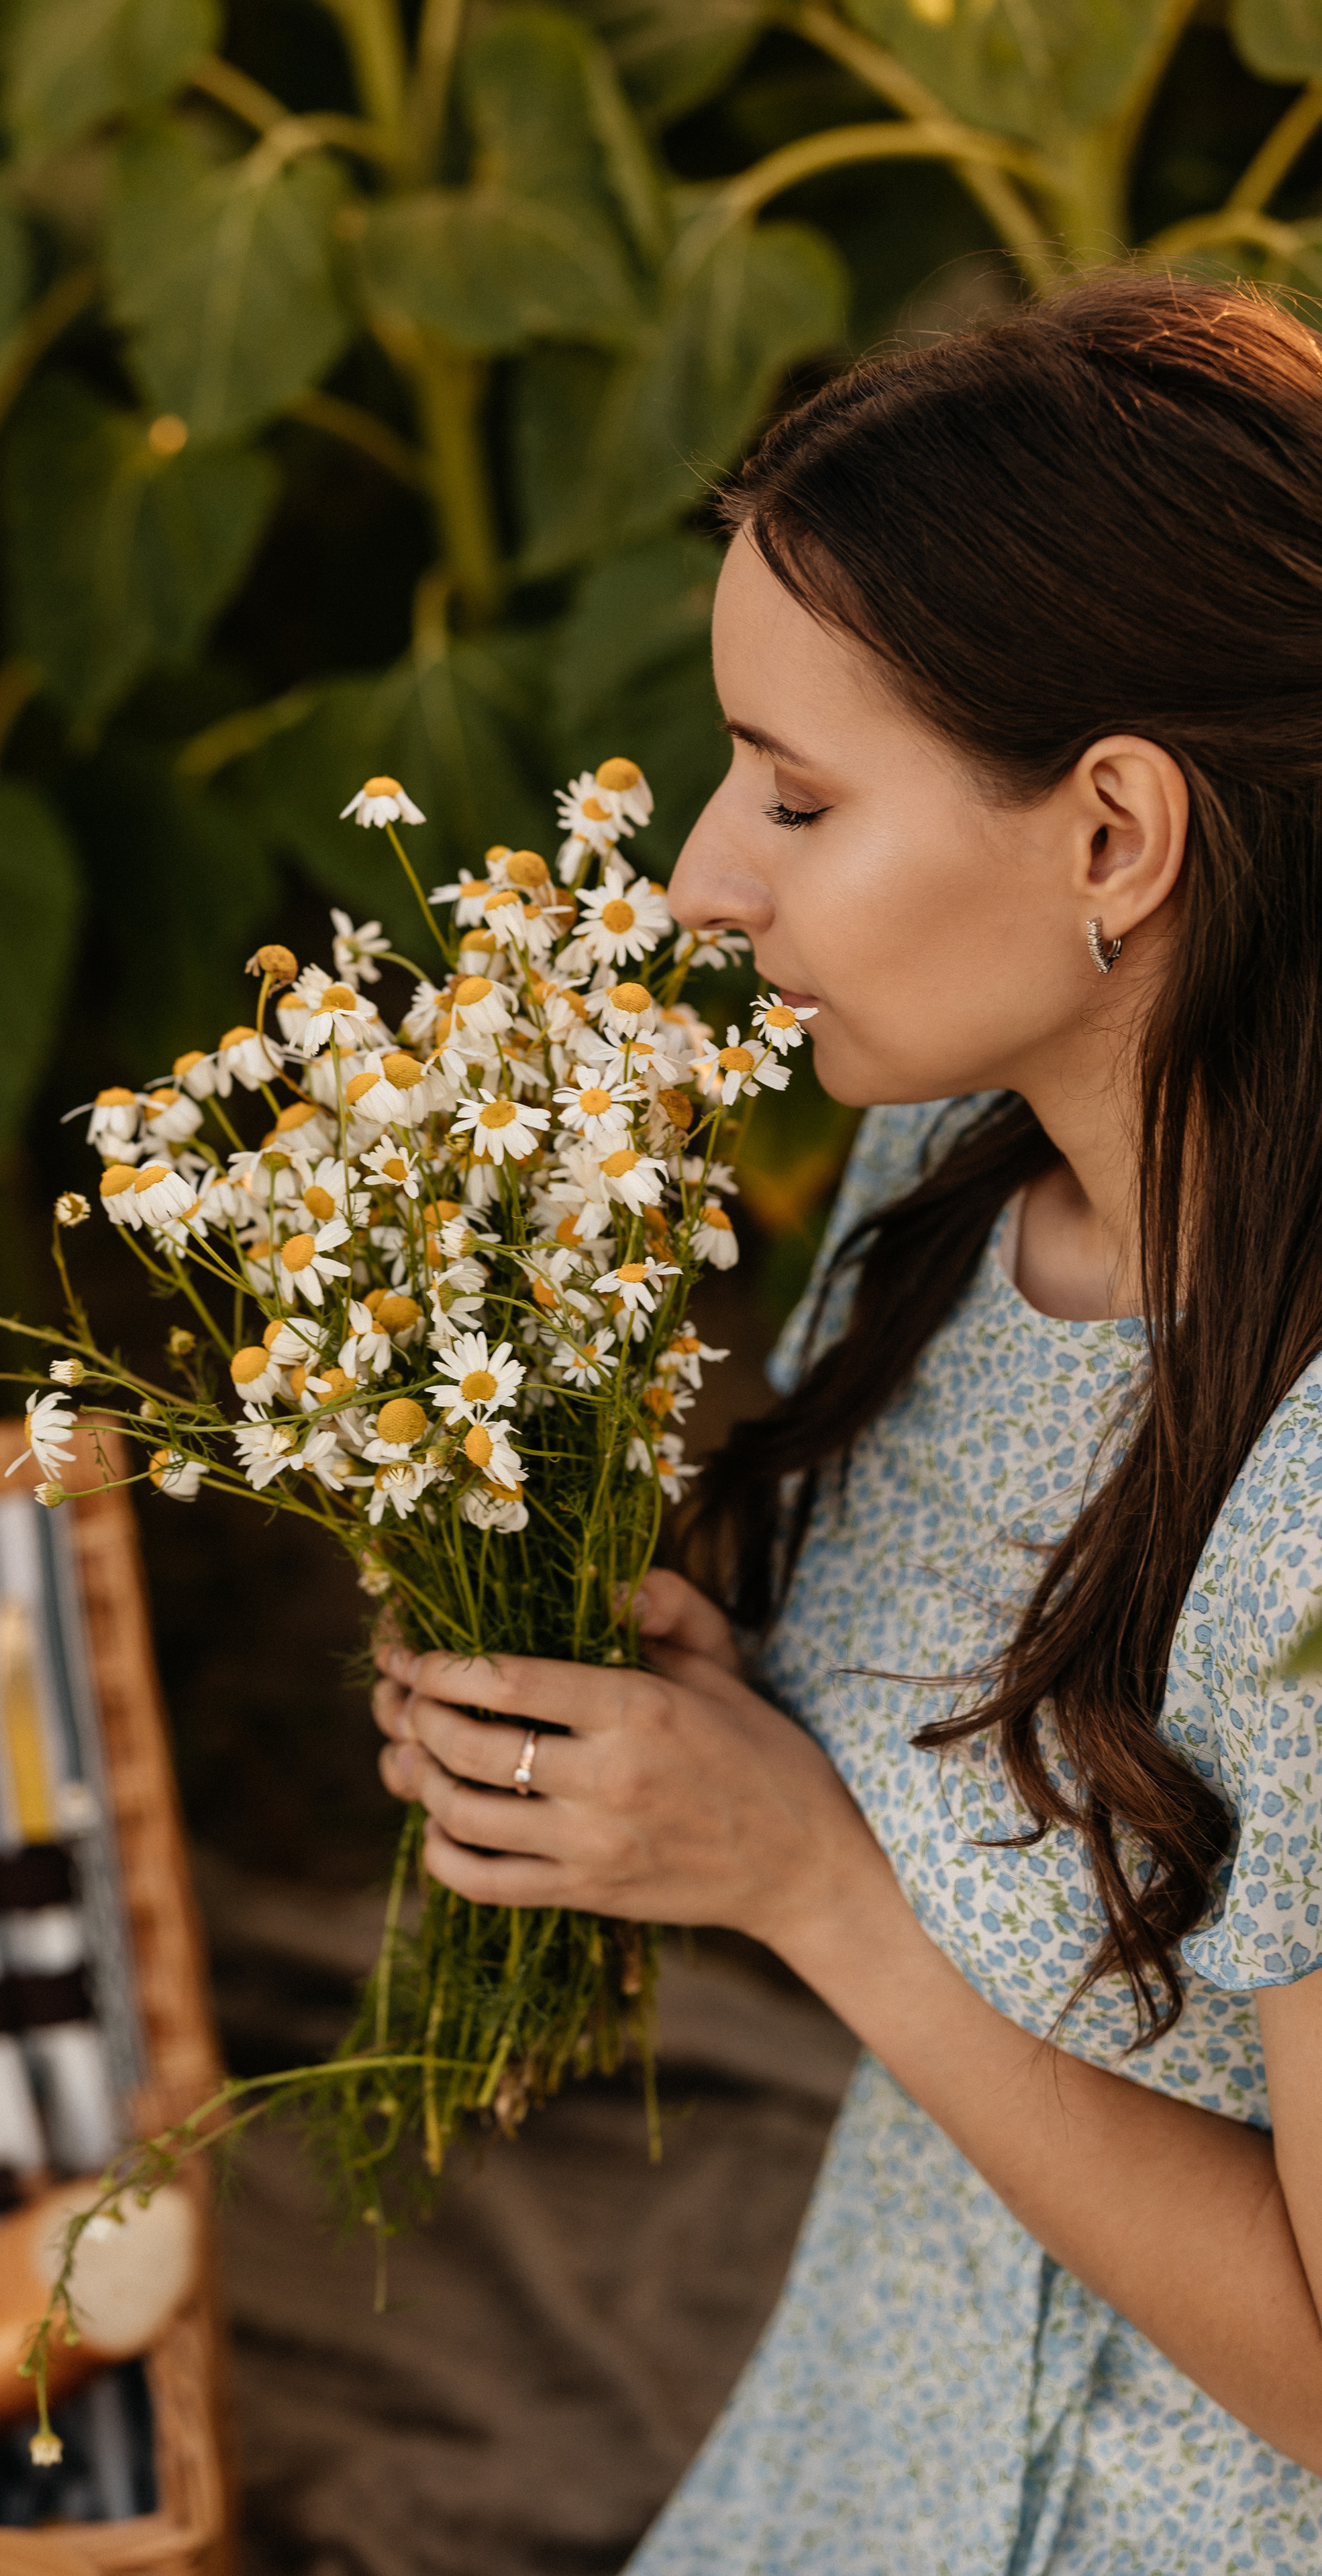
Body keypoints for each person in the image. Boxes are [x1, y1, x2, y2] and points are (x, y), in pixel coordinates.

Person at [371, 270, 1322, 2573]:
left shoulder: (1311, 1512)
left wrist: (803, 1880)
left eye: (797, 794)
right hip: (861, 2431)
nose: (705, 879)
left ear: (1115, 834)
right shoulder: (940, 1184)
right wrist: (646, 1743)